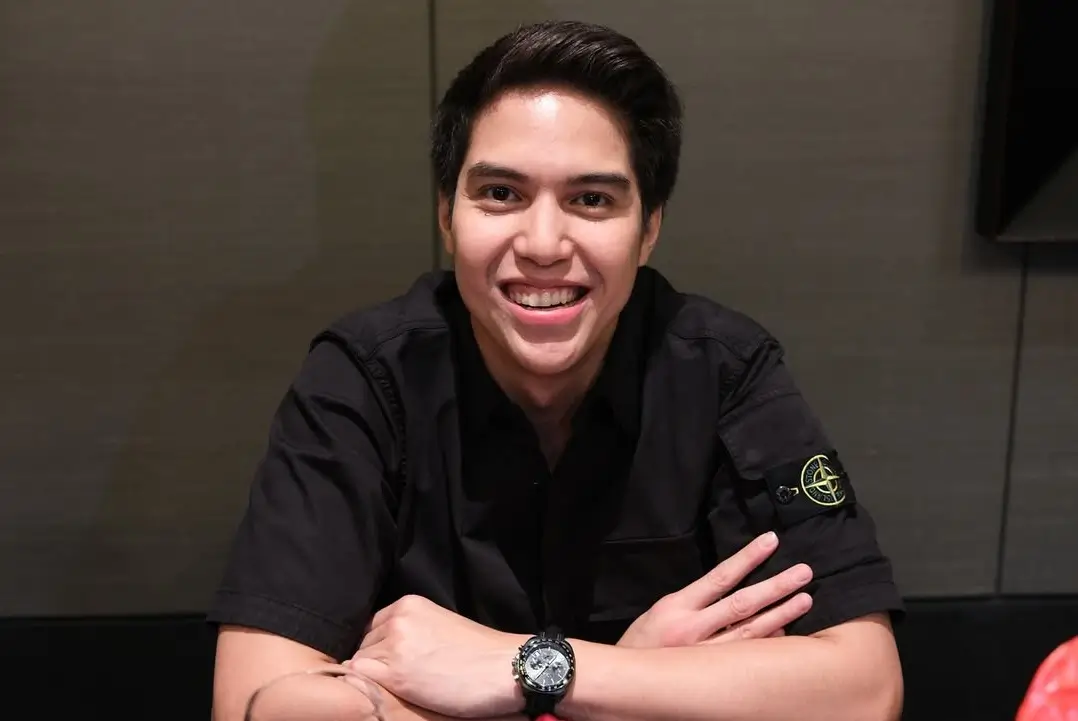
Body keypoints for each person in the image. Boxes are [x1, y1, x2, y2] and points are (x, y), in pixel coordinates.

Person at [209, 19, 905, 721]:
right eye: (501, 194)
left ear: (650, 227)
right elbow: (257, 707)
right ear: (447, 215)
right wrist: (638, 682)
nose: (543, 244)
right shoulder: (364, 379)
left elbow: (864, 690)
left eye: (591, 199)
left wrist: (542, 669)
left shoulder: (725, 371)